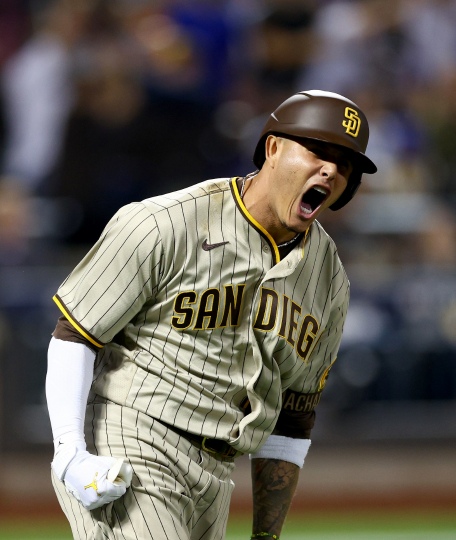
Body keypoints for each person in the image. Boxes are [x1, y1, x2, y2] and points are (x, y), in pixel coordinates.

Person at [46, 90, 376, 540]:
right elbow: (76, 333)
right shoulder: (168, 222)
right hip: (129, 440)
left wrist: (266, 536)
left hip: (219, 470)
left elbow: (294, 417)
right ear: (273, 148)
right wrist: (69, 450)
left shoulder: (329, 280)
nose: (332, 169)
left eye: (346, 164)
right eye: (318, 150)